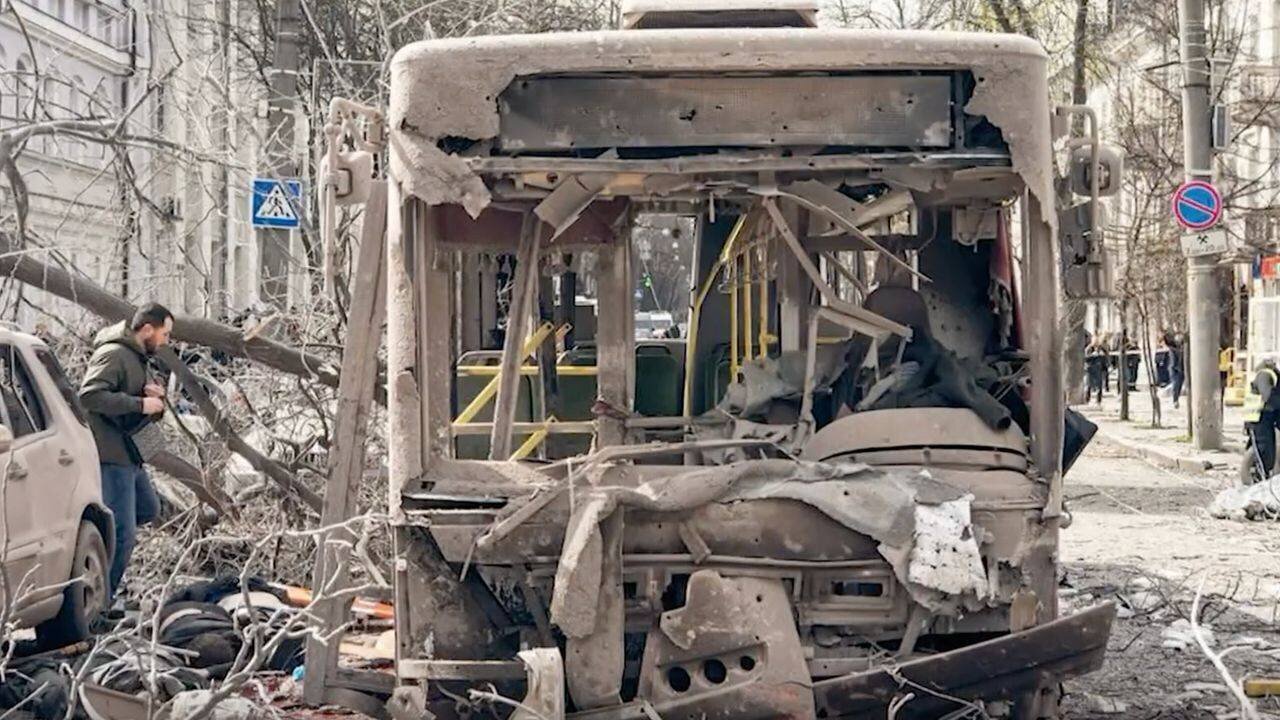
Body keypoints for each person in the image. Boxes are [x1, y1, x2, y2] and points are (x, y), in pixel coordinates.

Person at [78, 303, 173, 604]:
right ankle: (99, 605)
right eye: (164, 334)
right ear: (147, 329)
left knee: (148, 509)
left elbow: (133, 403)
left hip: (132, 453)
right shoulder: (113, 353)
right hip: (111, 455)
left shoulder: (139, 357)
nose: (166, 342)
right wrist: (139, 404)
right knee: (122, 534)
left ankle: (101, 584)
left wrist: (152, 401)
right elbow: (90, 395)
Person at [1244, 358, 1280, 481]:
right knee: (1264, 450)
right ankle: (1260, 477)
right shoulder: (1265, 375)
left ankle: (1263, 475)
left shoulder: (1268, 376)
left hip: (1263, 418)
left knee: (1267, 448)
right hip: (1259, 419)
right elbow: (1267, 395)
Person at [1166, 333, 1185, 409]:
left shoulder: (1181, 349)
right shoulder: (1173, 349)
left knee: (1179, 385)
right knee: (1176, 384)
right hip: (1175, 370)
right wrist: (1176, 368)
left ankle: (1176, 399)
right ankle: (1175, 400)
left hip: (1181, 369)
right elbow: (1173, 361)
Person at [1085, 339, 1106, 404]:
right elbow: (1086, 358)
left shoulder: (1102, 349)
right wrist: (1093, 355)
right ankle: (1087, 399)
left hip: (1099, 369)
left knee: (1099, 386)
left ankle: (1098, 401)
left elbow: (1105, 358)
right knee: (1088, 385)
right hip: (1090, 369)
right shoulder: (1089, 349)